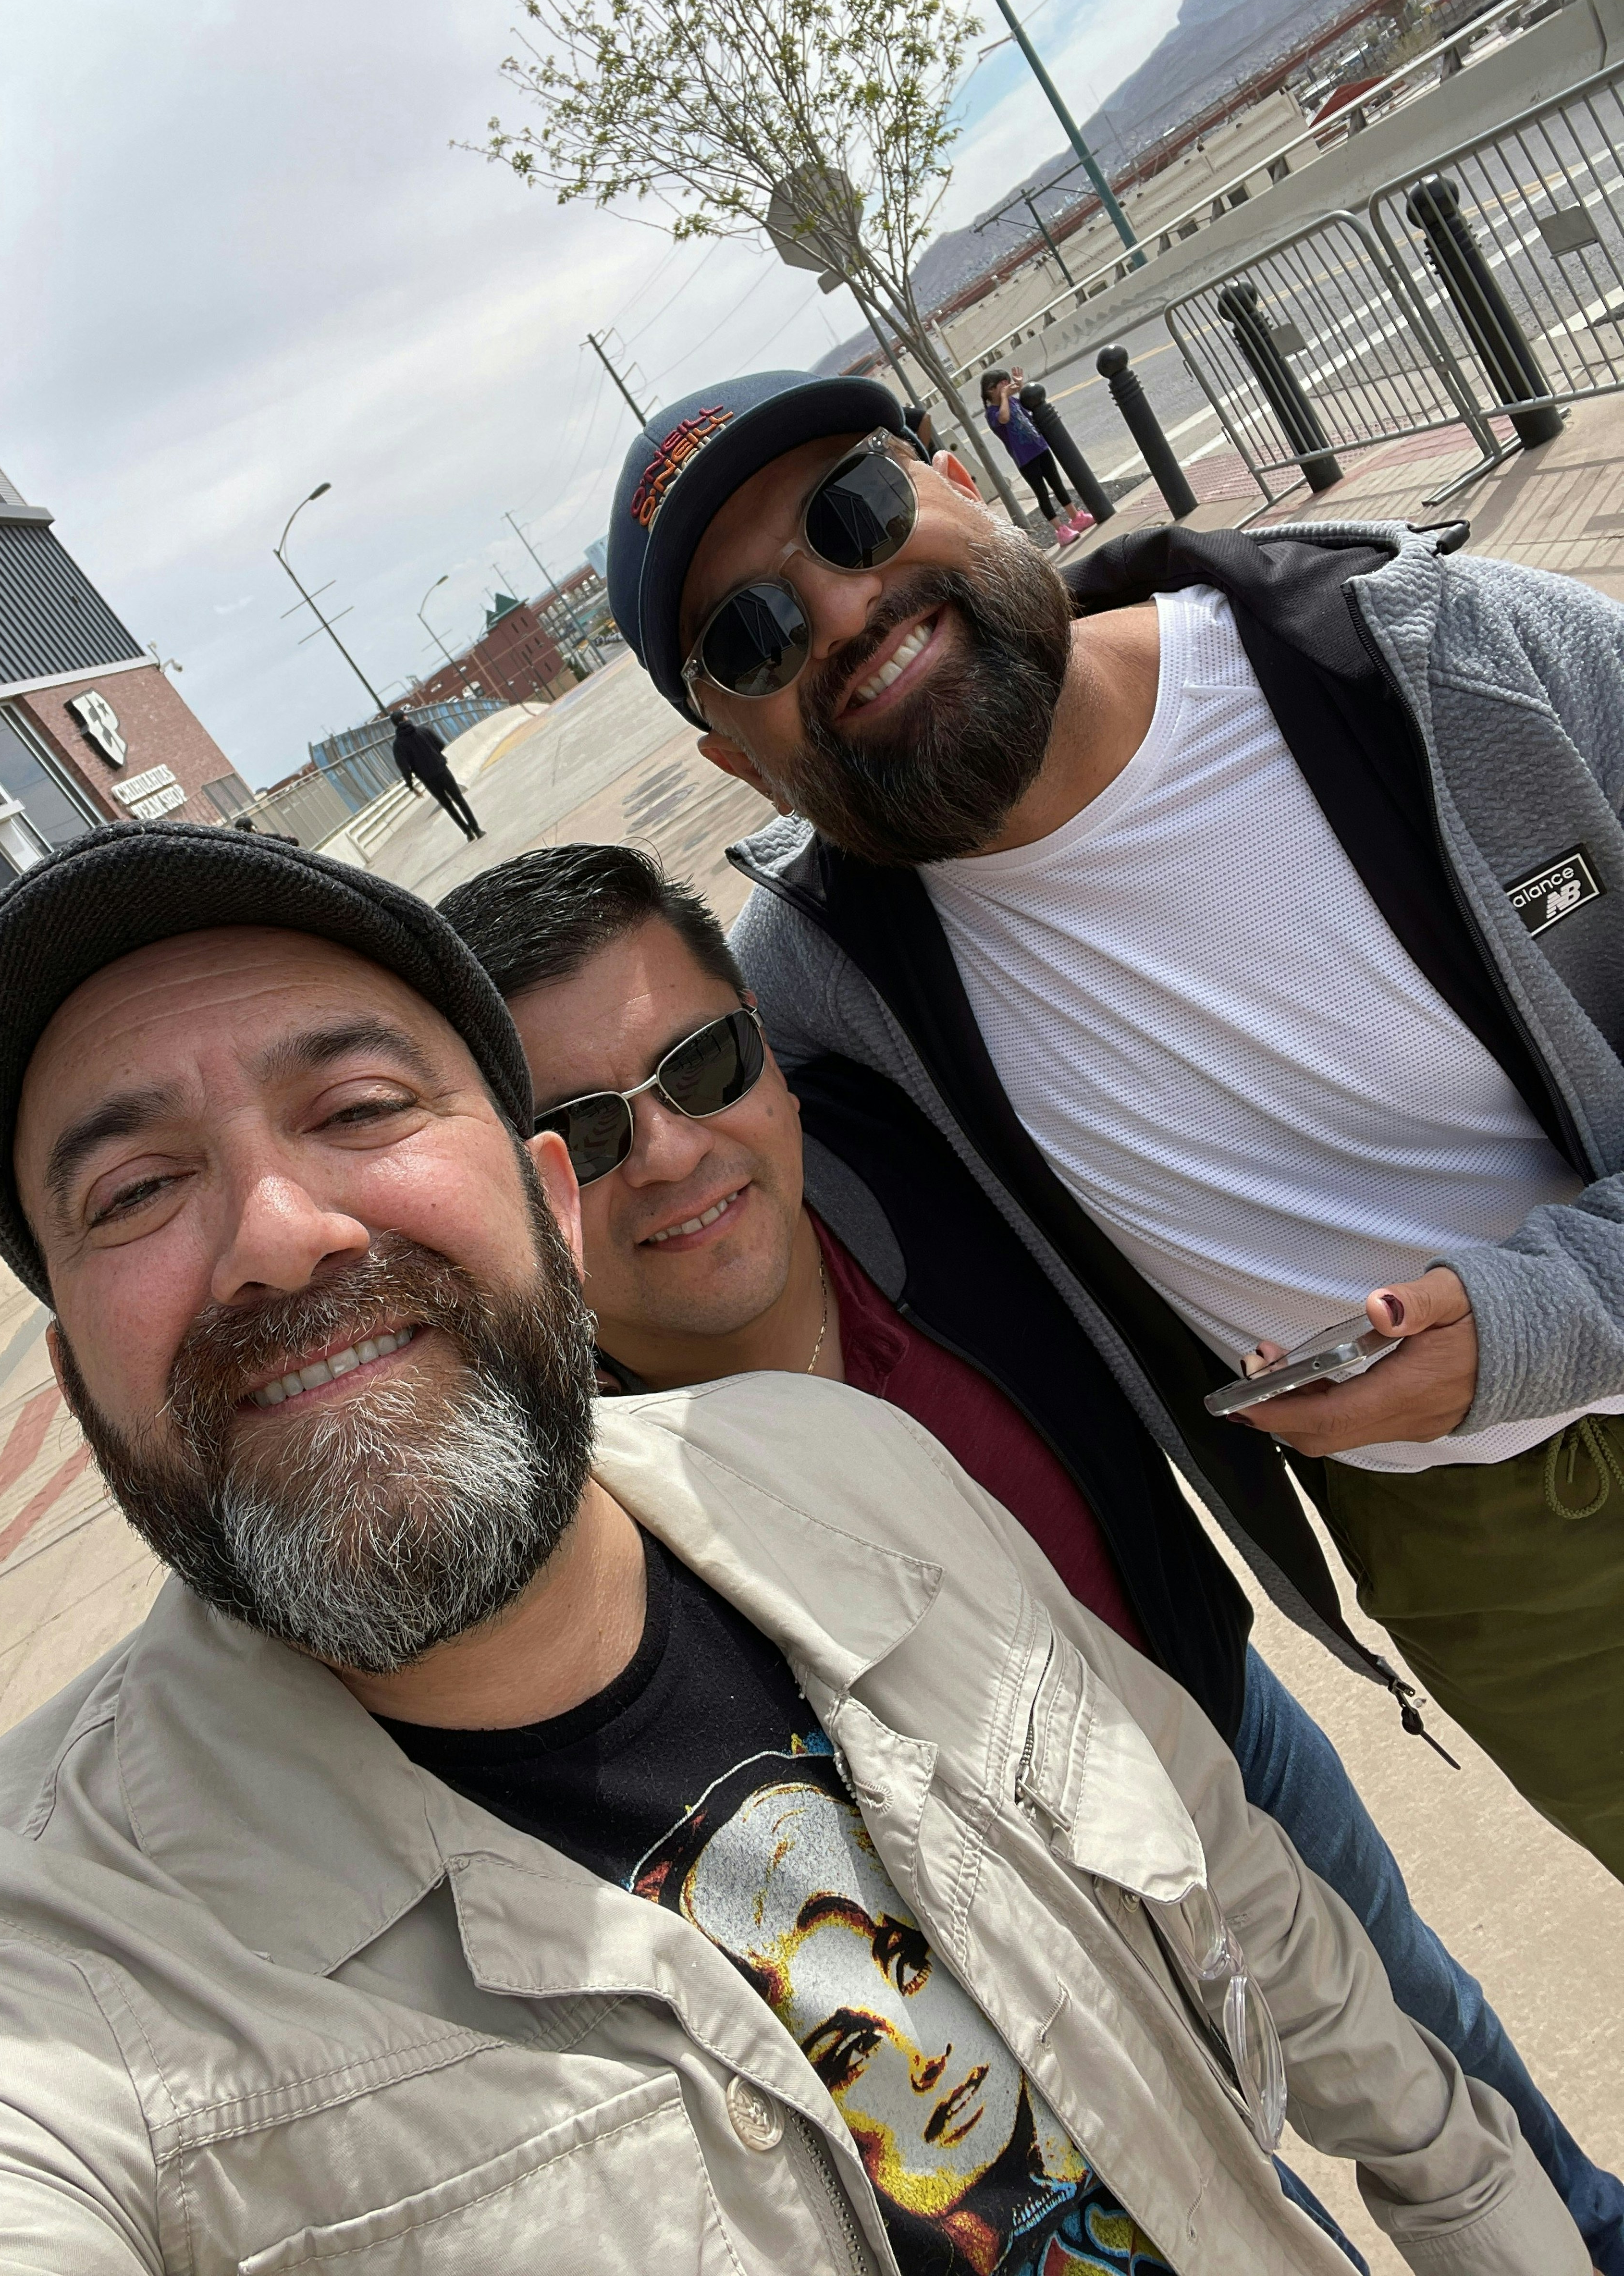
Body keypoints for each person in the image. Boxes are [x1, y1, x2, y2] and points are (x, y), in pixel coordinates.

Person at [0, 820, 1585, 2275]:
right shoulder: (48, 1970)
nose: (275, 1228)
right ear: (78, 1383)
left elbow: (1254, 1902)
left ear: (539, 1210)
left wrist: (1489, 2216)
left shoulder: (850, 1463)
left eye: (357, 1107)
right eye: (133, 1190)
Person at [443, 837, 1624, 2271]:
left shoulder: (937, 1174)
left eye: (701, 1064)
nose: (673, 1150)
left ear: (768, 1047)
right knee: (1236, 2210)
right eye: (583, 1132)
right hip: (1006, 1932)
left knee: (1445, 2064)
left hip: (1226, 1730)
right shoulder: (575, 1520)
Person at [598, 365, 1624, 1890]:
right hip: (1482, 1556)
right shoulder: (826, 989)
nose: (842, 605)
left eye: (852, 510)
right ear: (735, 758)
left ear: (957, 476)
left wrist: (1546, 1316)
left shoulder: (1451, 659)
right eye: (748, 635)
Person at [981, 368, 1093, 541]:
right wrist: (1004, 397)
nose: (1007, 387)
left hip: (1040, 447)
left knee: (1057, 484)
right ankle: (1061, 531)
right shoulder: (992, 413)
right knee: (1042, 493)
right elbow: (1004, 418)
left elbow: (1027, 406)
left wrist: (1020, 386)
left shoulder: (1013, 401)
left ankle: (1076, 518)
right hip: (1025, 459)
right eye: (1002, 385)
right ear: (991, 390)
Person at [387, 704, 484, 839]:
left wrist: (411, 786)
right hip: (442, 770)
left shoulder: (398, 745)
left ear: (395, 725)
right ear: (405, 717)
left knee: (448, 806)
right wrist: (434, 755)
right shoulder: (424, 730)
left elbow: (405, 768)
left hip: (428, 779)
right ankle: (477, 830)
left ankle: (468, 833)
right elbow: (441, 745)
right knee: (459, 800)